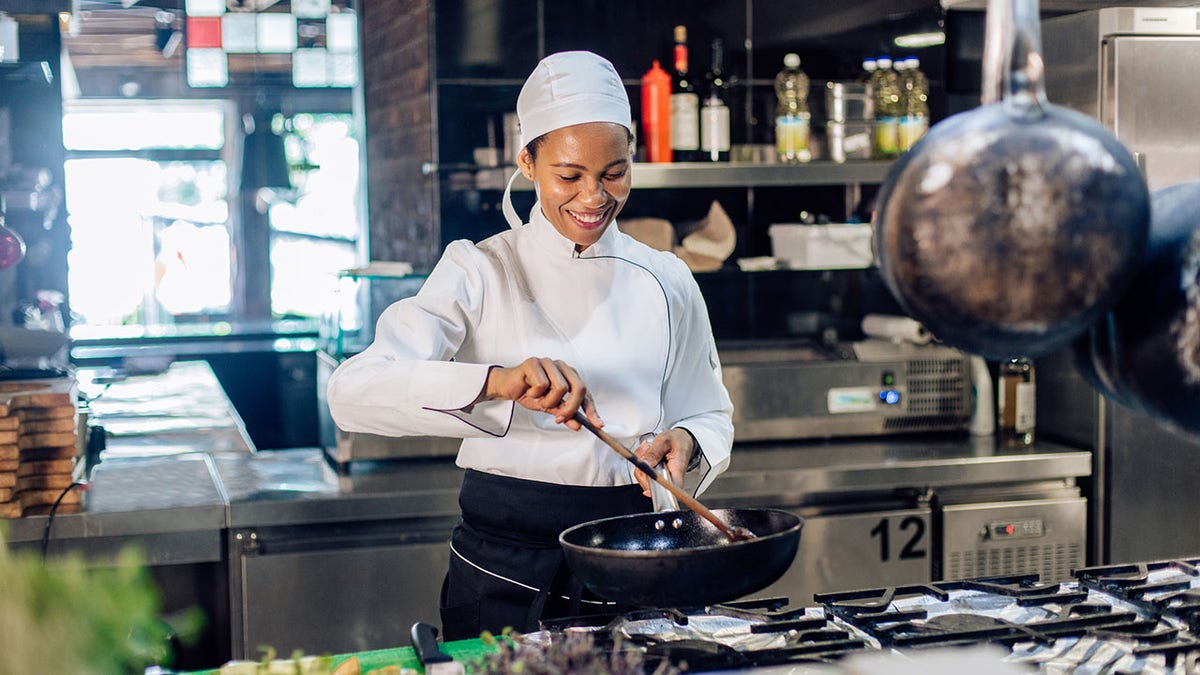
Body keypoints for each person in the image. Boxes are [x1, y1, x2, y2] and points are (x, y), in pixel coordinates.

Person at [326, 50, 733, 640]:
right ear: (527, 161)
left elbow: (710, 409)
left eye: (614, 173)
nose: (593, 197)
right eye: (569, 176)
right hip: (503, 567)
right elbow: (352, 392)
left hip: (634, 558)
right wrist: (498, 381)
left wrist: (687, 440)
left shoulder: (668, 277)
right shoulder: (478, 268)